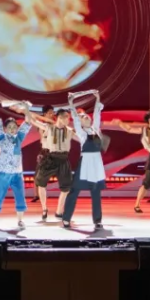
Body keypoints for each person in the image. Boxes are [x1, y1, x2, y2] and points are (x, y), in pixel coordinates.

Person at [0, 99, 33, 228]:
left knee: (20, 196)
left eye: (14, 127)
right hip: (3, 173)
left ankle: (20, 220)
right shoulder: (1, 137)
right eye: (9, 127)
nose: (12, 129)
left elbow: (28, 122)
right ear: (5, 129)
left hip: (17, 173)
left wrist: (26, 108)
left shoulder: (19, 137)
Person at [61, 90, 108, 230]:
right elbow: (75, 118)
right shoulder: (81, 133)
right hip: (85, 163)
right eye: (82, 117)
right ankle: (66, 218)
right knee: (74, 190)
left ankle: (97, 220)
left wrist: (97, 97)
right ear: (80, 122)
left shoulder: (96, 129)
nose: (85, 117)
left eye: (86, 115)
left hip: (96, 163)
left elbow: (97, 114)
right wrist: (71, 102)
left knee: (96, 192)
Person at [30, 105, 74, 221]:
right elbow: (32, 120)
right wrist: (25, 109)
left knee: (66, 188)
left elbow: (83, 135)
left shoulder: (69, 131)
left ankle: (59, 211)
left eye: (69, 117)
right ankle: (44, 208)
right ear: (60, 117)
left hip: (63, 159)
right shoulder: (48, 128)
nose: (68, 120)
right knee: (40, 183)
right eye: (66, 117)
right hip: (50, 158)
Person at [112, 114, 150, 213]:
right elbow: (129, 129)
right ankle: (137, 204)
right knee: (147, 182)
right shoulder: (144, 130)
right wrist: (119, 123)